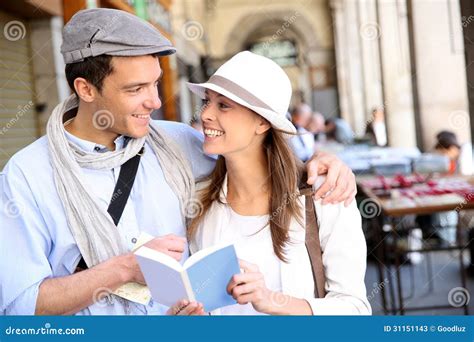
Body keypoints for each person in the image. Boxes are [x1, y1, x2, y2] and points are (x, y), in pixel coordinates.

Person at [0, 9, 357, 315]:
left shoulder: (177, 144)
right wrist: (123, 269)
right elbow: (20, 305)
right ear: (86, 89)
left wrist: (325, 161)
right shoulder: (27, 176)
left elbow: (254, 151)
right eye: (135, 89)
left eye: (155, 84)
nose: (155, 102)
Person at [167, 51, 371, 316]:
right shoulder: (198, 201)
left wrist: (270, 300)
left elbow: (355, 310)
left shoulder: (323, 194)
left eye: (223, 105)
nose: (205, 114)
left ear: (262, 122)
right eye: (207, 102)